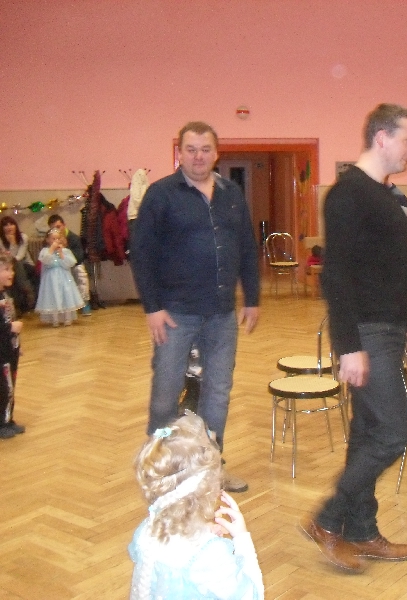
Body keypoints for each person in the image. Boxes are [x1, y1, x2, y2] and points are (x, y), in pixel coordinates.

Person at [304, 103, 407, 573]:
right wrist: (349, 346)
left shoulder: (381, 194)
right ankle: (327, 519)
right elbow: (336, 275)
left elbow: (384, 271)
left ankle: (361, 530)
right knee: (395, 432)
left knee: (367, 433)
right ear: (382, 138)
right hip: (367, 333)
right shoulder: (348, 195)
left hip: (387, 326)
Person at [130, 121, 261, 494]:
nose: (198, 156)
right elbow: (141, 254)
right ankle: (159, 468)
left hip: (221, 313)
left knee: (217, 392)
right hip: (175, 314)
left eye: (205, 149)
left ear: (216, 153)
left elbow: (246, 246)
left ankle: (209, 470)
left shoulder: (232, 194)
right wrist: (152, 308)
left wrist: (252, 298)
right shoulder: (160, 194)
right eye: (191, 149)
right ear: (180, 153)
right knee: (166, 393)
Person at [129, 412, 264, 599]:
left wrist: (202, 530)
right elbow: (253, 595)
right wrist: (242, 539)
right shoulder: (210, 555)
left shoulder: (146, 530)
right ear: (209, 488)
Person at [35, 228, 85, 326]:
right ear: (48, 240)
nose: (56, 241)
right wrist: (51, 249)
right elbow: (45, 260)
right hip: (50, 280)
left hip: (64, 278)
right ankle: (55, 319)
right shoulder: (45, 251)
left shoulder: (65, 251)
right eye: (53, 239)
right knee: (53, 297)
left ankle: (67, 318)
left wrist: (61, 253)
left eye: (57, 238)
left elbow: (70, 263)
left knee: (66, 296)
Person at [47, 214, 91, 316]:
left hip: (73, 264)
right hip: (56, 267)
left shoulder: (73, 238)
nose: (56, 230)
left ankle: (85, 302)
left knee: (80, 272)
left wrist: (65, 250)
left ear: (64, 225)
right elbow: (47, 257)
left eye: (58, 227)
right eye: (53, 228)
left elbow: (79, 256)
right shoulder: (49, 239)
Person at [0, 253, 23, 439]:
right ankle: (2, 423)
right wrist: (10, 328)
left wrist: (17, 344)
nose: (11, 273)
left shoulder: (5, 295)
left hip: (10, 350)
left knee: (10, 386)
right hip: (1, 353)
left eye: (12, 269)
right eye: (6, 269)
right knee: (4, 388)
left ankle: (8, 419)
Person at [0, 216, 36, 313]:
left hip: (26, 265)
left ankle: (28, 300)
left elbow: (19, 257)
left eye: (11, 224)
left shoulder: (23, 237)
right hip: (11, 266)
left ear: (15, 225)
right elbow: (5, 259)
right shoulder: (1, 240)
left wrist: (12, 244)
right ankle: (14, 304)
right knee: (10, 270)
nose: (9, 227)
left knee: (17, 266)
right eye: (6, 225)